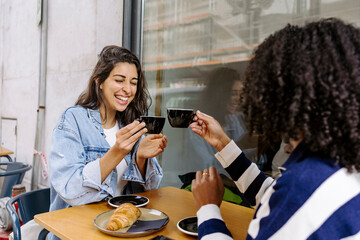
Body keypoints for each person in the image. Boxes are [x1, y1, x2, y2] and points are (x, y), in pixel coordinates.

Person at [190, 18, 360, 240]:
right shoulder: (338, 163)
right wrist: (223, 143)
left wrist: (208, 209)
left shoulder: (302, 189)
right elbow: (273, 194)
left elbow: (289, 199)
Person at [48, 46, 167, 239]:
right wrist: (118, 151)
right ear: (100, 82)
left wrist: (141, 158)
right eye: (119, 80)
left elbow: (147, 195)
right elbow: (70, 189)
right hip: (75, 231)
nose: (127, 90)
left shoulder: (130, 124)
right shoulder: (73, 120)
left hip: (121, 229)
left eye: (133, 83)